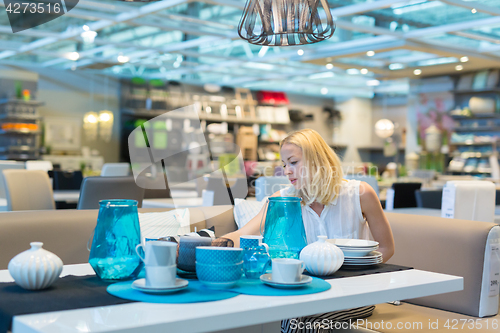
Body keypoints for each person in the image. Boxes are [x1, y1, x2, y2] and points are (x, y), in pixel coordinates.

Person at [222, 128, 395, 333]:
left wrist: (355, 277)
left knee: (296, 322)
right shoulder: (283, 200)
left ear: (317, 159)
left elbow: (386, 247)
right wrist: (207, 243)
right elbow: (243, 234)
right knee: (290, 318)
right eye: (284, 165)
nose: (286, 171)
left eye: (293, 162)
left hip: (354, 294)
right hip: (305, 290)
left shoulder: (360, 194)